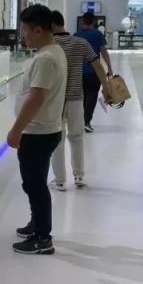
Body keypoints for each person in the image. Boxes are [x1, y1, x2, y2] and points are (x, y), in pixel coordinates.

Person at [8, 4, 67, 255]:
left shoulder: (45, 58)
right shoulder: (53, 51)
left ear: (39, 30)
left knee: (35, 185)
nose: (23, 36)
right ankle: (37, 224)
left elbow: (36, 98)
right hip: (44, 130)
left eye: (25, 30)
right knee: (35, 182)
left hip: (38, 132)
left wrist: (16, 130)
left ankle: (43, 238)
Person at [49, 11, 113, 191]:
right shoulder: (80, 42)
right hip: (76, 97)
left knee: (57, 138)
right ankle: (79, 176)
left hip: (56, 99)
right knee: (77, 136)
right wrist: (106, 87)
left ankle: (60, 180)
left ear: (51, 25)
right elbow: (97, 65)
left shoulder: (50, 45)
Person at [75, 12, 113, 132]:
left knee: (81, 98)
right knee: (91, 97)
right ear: (93, 22)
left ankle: (80, 121)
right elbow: (104, 52)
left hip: (79, 72)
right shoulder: (97, 34)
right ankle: (86, 121)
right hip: (94, 72)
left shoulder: (76, 35)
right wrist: (109, 67)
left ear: (82, 21)